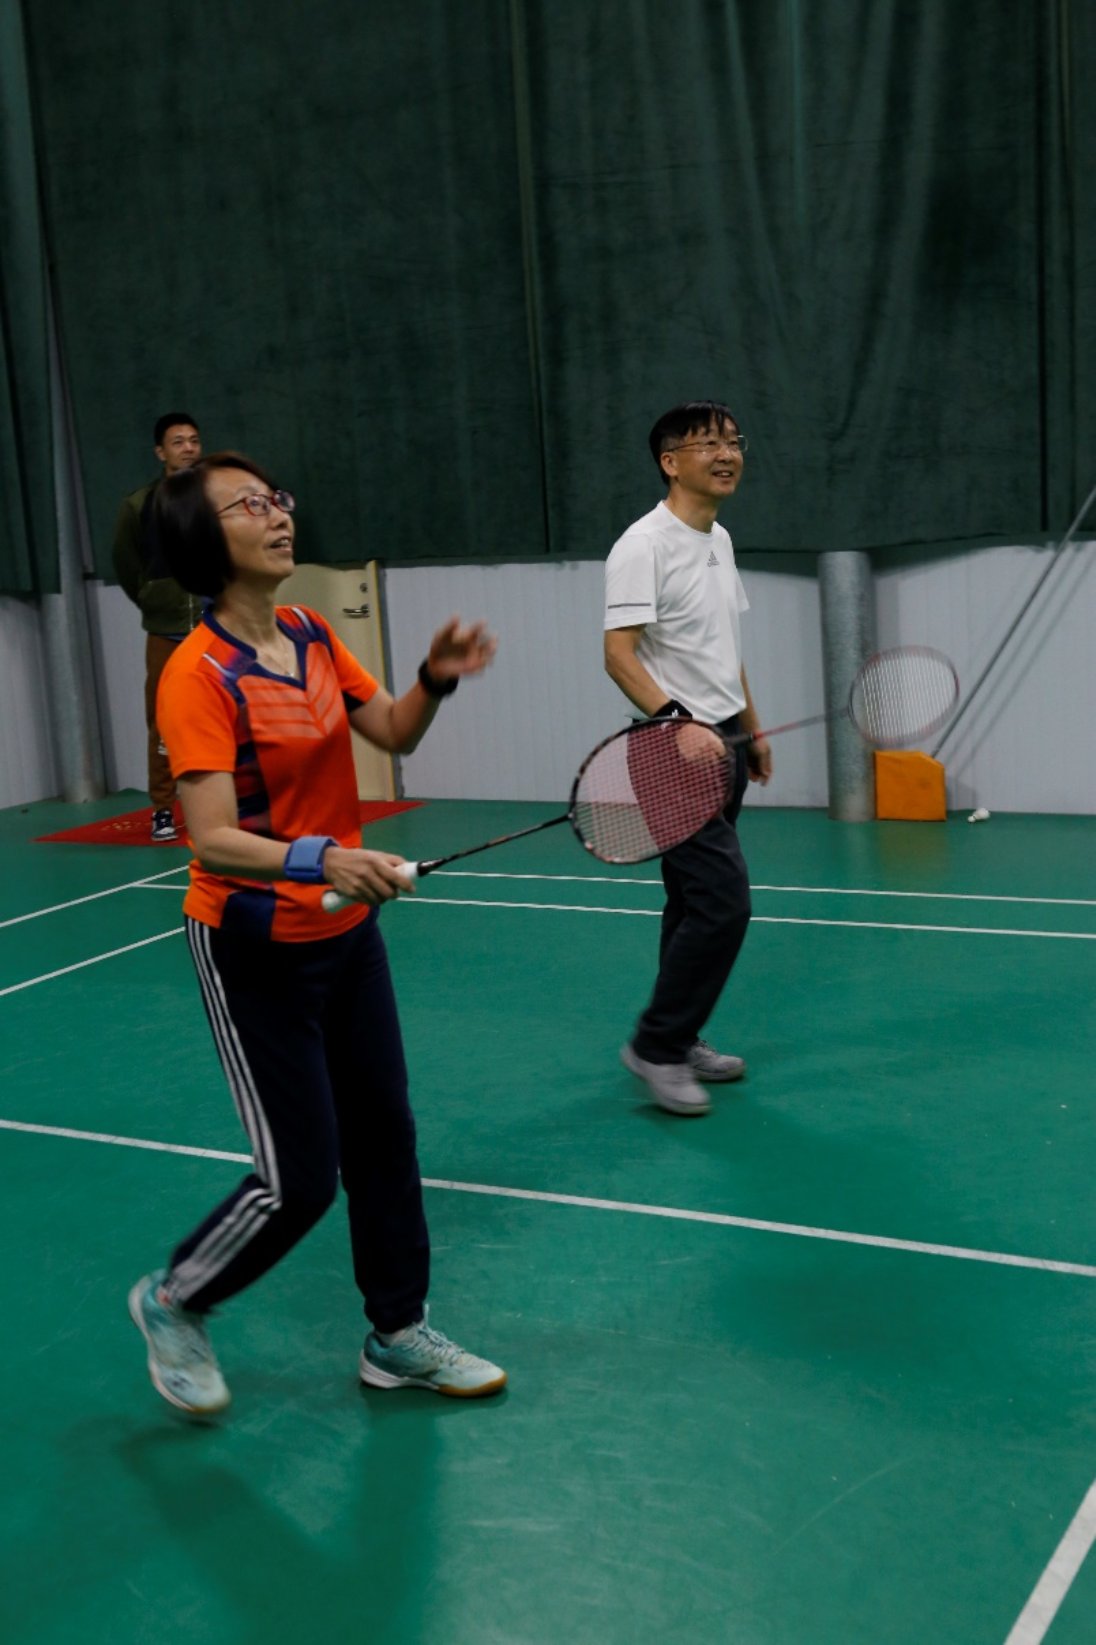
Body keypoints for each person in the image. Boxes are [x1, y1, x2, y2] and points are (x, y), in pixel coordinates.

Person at [128, 450, 506, 1415]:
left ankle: (397, 1332)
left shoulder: (309, 632)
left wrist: (435, 678)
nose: (278, 514)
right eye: (249, 505)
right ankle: (176, 1298)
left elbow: (394, 730)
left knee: (385, 1137)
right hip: (252, 943)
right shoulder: (197, 673)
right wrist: (321, 859)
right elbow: (212, 838)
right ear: (202, 540)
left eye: (278, 498)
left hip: (345, 936)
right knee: (297, 1179)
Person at [603, 401, 772, 1117]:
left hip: (723, 739)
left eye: (733, 442)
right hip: (673, 747)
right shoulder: (642, 545)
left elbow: (722, 649)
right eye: (708, 444)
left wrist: (750, 727)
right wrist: (678, 719)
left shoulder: (718, 538)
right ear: (671, 462)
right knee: (725, 903)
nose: (727, 454)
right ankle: (658, 1045)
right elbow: (619, 655)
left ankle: (681, 1031)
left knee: (690, 901)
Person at [112, 412, 204, 841]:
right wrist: (154, 600)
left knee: (234, 712)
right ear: (160, 452)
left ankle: (241, 800)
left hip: (215, 628)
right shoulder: (139, 505)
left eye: (194, 440)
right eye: (178, 442)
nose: (188, 448)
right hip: (165, 630)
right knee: (163, 721)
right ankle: (164, 808)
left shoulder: (216, 497)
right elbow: (127, 565)